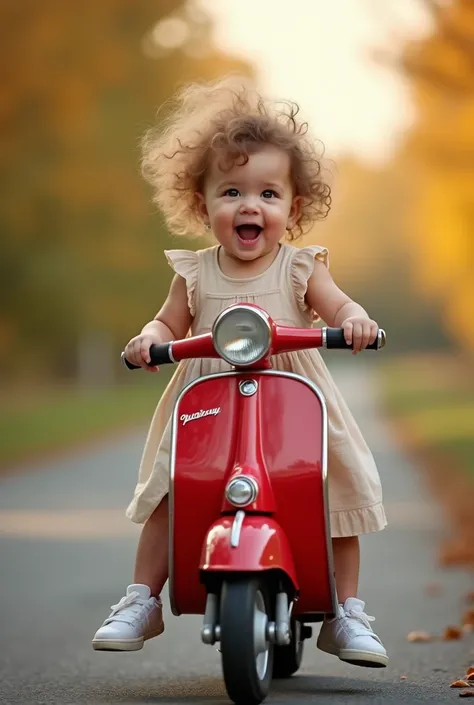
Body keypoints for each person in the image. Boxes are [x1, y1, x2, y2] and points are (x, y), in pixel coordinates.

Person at [92, 76, 388, 667]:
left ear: (293, 208)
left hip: (293, 402)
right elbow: (167, 324)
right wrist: (149, 341)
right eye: (231, 191)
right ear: (203, 206)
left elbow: (339, 305)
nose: (250, 205)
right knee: (172, 486)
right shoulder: (196, 272)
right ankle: (141, 597)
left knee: (336, 481)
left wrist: (355, 321)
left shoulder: (302, 268)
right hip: (207, 403)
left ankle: (345, 610)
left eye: (269, 194)